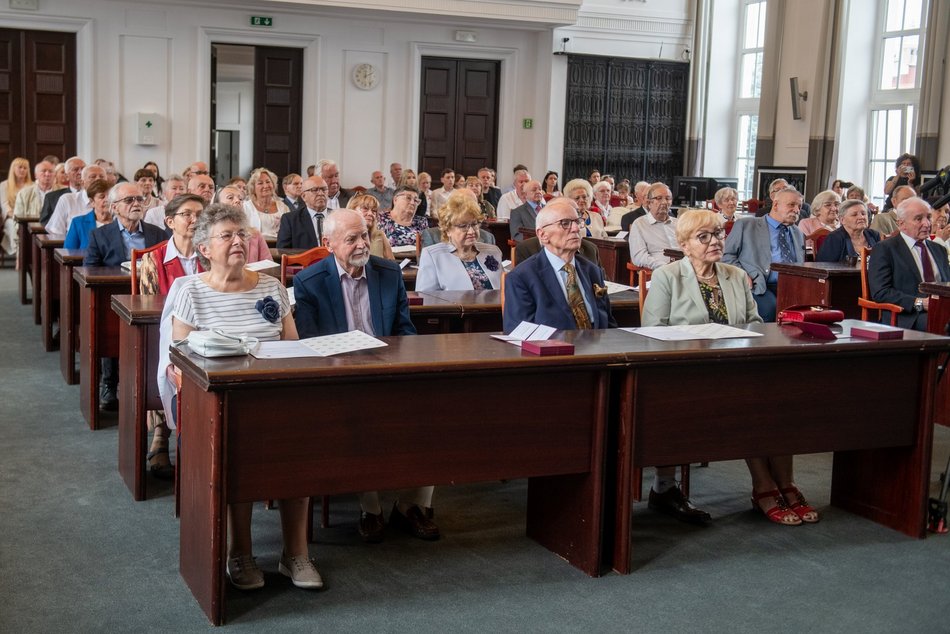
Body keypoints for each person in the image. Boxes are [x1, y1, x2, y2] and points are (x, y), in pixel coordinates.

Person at [166, 204, 322, 590]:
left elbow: (292, 347)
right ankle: (241, 554)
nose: (238, 241)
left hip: (274, 398)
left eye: (243, 234)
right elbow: (180, 363)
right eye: (227, 235)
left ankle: (295, 555)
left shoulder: (270, 287)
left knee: (298, 454)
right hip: (223, 407)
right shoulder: (190, 291)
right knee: (236, 460)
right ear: (204, 247)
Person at [643, 209, 808, 525]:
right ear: (685, 244)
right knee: (747, 405)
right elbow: (653, 331)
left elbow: (756, 325)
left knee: (777, 399)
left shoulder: (734, 275)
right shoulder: (668, 275)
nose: (714, 241)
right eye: (703, 237)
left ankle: (784, 484)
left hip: (735, 368)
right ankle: (764, 486)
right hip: (686, 373)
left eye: (718, 234)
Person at [293, 208, 438, 543]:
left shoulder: (388, 273)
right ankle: (370, 508)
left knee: (433, 407)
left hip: (388, 368)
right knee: (359, 414)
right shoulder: (309, 282)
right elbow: (311, 345)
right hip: (339, 376)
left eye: (365, 236)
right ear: (328, 243)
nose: (362, 245)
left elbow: (404, 330)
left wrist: (407, 366)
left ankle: (413, 505)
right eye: (352, 239)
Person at [136, 193, 206, 478]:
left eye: (201, 214)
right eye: (188, 214)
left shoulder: (210, 253)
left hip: (204, 332)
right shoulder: (154, 258)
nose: (195, 220)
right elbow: (149, 307)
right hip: (163, 333)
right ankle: (161, 434)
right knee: (162, 351)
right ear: (169, 221)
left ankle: (198, 441)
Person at [84, 183, 168, 411]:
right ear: (114, 207)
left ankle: (152, 387)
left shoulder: (158, 233)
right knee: (108, 329)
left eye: (140, 200)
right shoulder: (99, 235)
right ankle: (109, 384)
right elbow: (89, 270)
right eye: (129, 200)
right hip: (114, 297)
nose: (136, 204)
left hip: (150, 297)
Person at [503, 197, 615, 333]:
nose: (575, 228)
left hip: (598, 348)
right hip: (554, 351)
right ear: (543, 234)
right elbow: (519, 332)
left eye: (578, 222)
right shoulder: (522, 277)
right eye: (565, 223)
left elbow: (609, 323)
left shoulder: (592, 270)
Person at [722, 186, 805, 321]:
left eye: (799, 207)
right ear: (776, 204)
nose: (796, 210)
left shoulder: (798, 233)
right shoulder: (746, 225)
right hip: (759, 284)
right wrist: (743, 275)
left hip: (793, 286)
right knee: (769, 309)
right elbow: (727, 256)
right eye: (791, 205)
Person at [869, 197, 950, 331]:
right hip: (908, 315)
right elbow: (881, 292)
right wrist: (920, 303)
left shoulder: (938, 249)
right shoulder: (885, 249)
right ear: (901, 224)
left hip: (942, 309)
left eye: (928, 217)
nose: (926, 224)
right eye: (918, 219)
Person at [416, 191, 504, 292]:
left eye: (474, 224)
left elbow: (505, 290)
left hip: (496, 307)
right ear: (448, 230)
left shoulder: (493, 251)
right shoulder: (432, 255)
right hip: (452, 307)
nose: (471, 231)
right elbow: (426, 298)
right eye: (463, 226)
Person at [45, 164, 108, 235]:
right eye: (93, 177)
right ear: (82, 182)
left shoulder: (113, 200)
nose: (98, 179)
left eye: (102, 177)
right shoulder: (67, 200)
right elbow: (55, 231)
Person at [628, 182, 678, 270]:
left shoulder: (678, 223)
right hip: (659, 271)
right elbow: (639, 257)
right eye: (659, 198)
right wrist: (664, 266)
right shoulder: (640, 224)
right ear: (649, 203)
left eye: (668, 198)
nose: (664, 202)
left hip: (686, 269)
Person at [816, 199, 881, 263]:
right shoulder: (834, 238)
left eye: (863, 214)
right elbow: (824, 267)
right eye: (854, 215)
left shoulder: (874, 235)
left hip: (873, 273)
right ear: (842, 220)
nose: (861, 217)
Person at [276, 175, 330, 249]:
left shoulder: (338, 216)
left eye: (324, 189)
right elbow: (282, 251)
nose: (321, 193)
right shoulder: (290, 220)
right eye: (314, 190)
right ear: (304, 196)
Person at [63, 180, 113, 249]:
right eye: (102, 197)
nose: (107, 200)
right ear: (92, 202)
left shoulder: (121, 221)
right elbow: (68, 252)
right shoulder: (78, 223)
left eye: (110, 196)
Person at [242, 167, 289, 239]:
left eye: (268, 182)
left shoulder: (283, 207)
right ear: (253, 188)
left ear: (273, 185)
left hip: (280, 247)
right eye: (260, 183)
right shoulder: (245, 207)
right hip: (254, 247)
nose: (265, 186)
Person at [347, 193, 394, 259]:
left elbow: (392, 263)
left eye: (374, 211)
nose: (370, 214)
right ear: (352, 210)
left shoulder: (379, 235)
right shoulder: (344, 236)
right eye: (365, 209)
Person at [13, 160, 55, 226]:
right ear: (36, 175)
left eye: (50, 171)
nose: (47, 174)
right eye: (43, 171)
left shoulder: (63, 192)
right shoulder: (24, 194)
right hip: (31, 233)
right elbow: (17, 220)